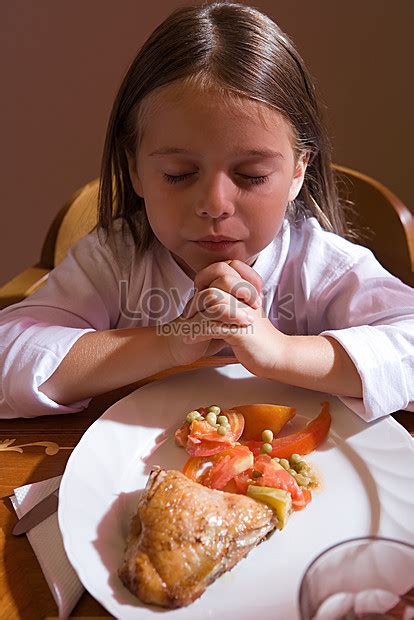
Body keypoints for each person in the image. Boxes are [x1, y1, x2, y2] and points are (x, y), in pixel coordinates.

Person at [0, 2, 413, 421]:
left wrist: (281, 351)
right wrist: (170, 341)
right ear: (135, 170)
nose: (214, 204)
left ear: (297, 172)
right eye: (179, 174)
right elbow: (7, 356)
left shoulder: (321, 265)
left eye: (251, 175)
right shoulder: (113, 261)